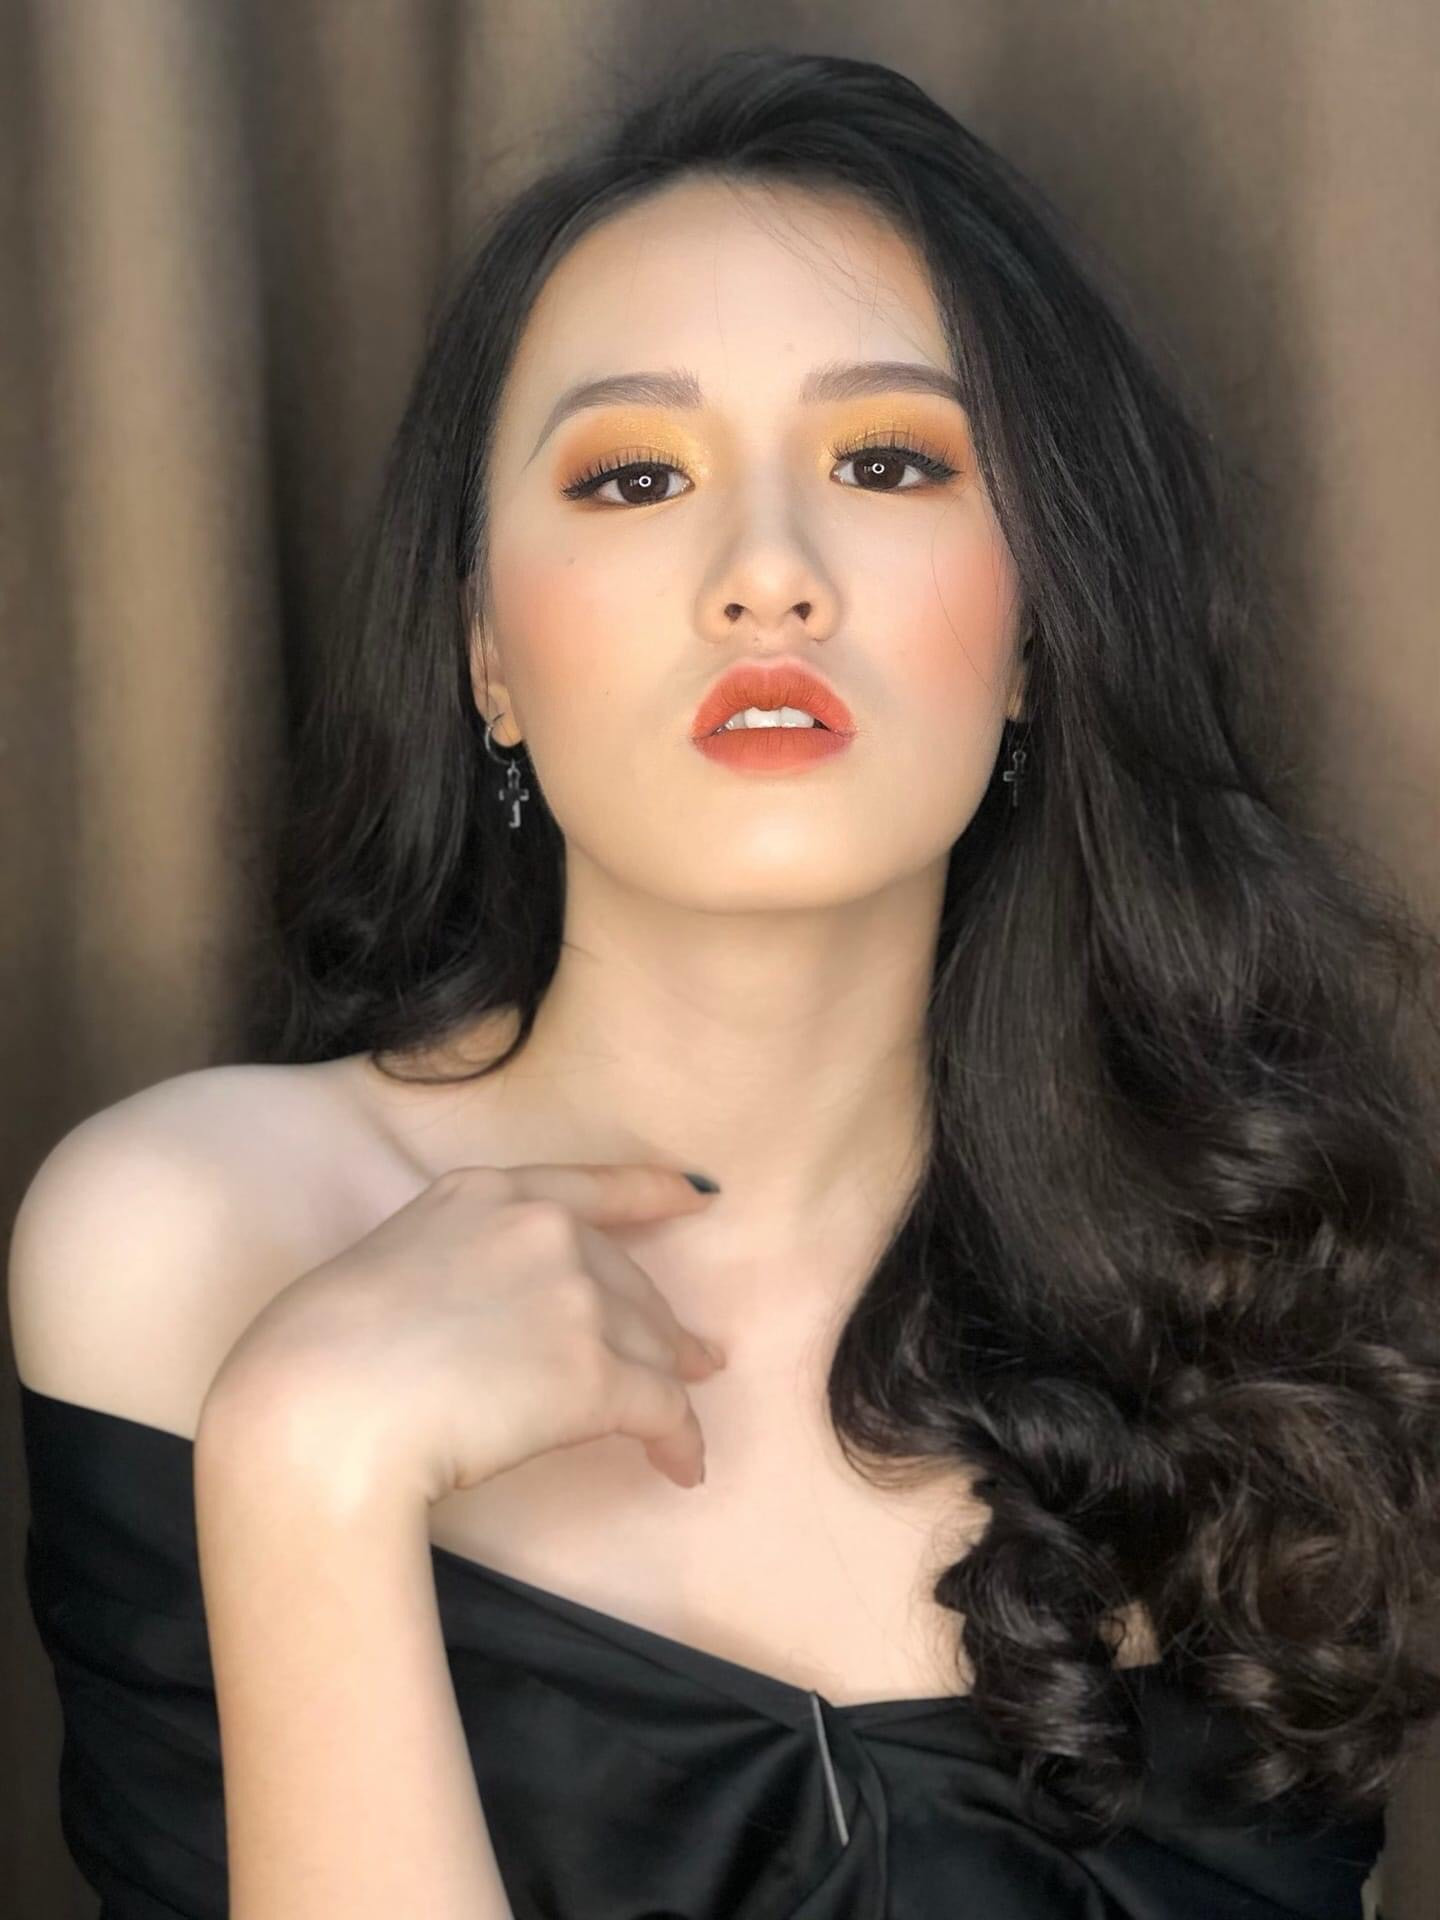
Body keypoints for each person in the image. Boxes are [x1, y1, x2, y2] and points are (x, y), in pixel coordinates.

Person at [11, 43, 1435, 1920]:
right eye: (634, 478)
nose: (767, 575)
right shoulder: (192, 1245)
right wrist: (313, 1471)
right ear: (487, 657)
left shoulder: (1252, 1324)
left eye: (886, 462)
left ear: (1036, 632)